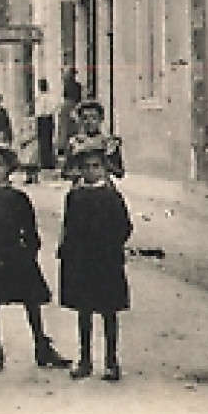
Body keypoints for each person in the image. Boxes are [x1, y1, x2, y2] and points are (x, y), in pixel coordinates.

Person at [0, 143, 72, 373]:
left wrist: (28, 251)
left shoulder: (19, 198)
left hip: (16, 255)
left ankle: (42, 347)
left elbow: (30, 230)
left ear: (9, 168)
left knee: (32, 302)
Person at [59, 144, 133, 382]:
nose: (91, 172)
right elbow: (69, 228)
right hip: (82, 262)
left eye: (96, 166)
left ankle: (112, 361)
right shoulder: (74, 197)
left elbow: (125, 227)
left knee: (109, 312)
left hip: (106, 261)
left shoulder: (112, 197)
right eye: (86, 168)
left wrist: (110, 245)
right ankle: (85, 359)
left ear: (104, 169)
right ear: (80, 171)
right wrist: (69, 253)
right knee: (84, 311)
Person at [62, 99, 125, 180]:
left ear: (100, 119)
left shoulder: (109, 142)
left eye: (93, 118)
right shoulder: (74, 142)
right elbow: (65, 172)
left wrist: (106, 160)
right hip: (81, 186)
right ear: (80, 121)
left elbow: (119, 172)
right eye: (85, 118)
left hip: (103, 186)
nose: (89, 122)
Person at [33, 79, 56, 186]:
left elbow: (40, 112)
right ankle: (47, 162)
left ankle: (46, 163)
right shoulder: (49, 98)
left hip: (43, 119)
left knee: (44, 142)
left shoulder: (41, 98)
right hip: (48, 119)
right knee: (47, 142)